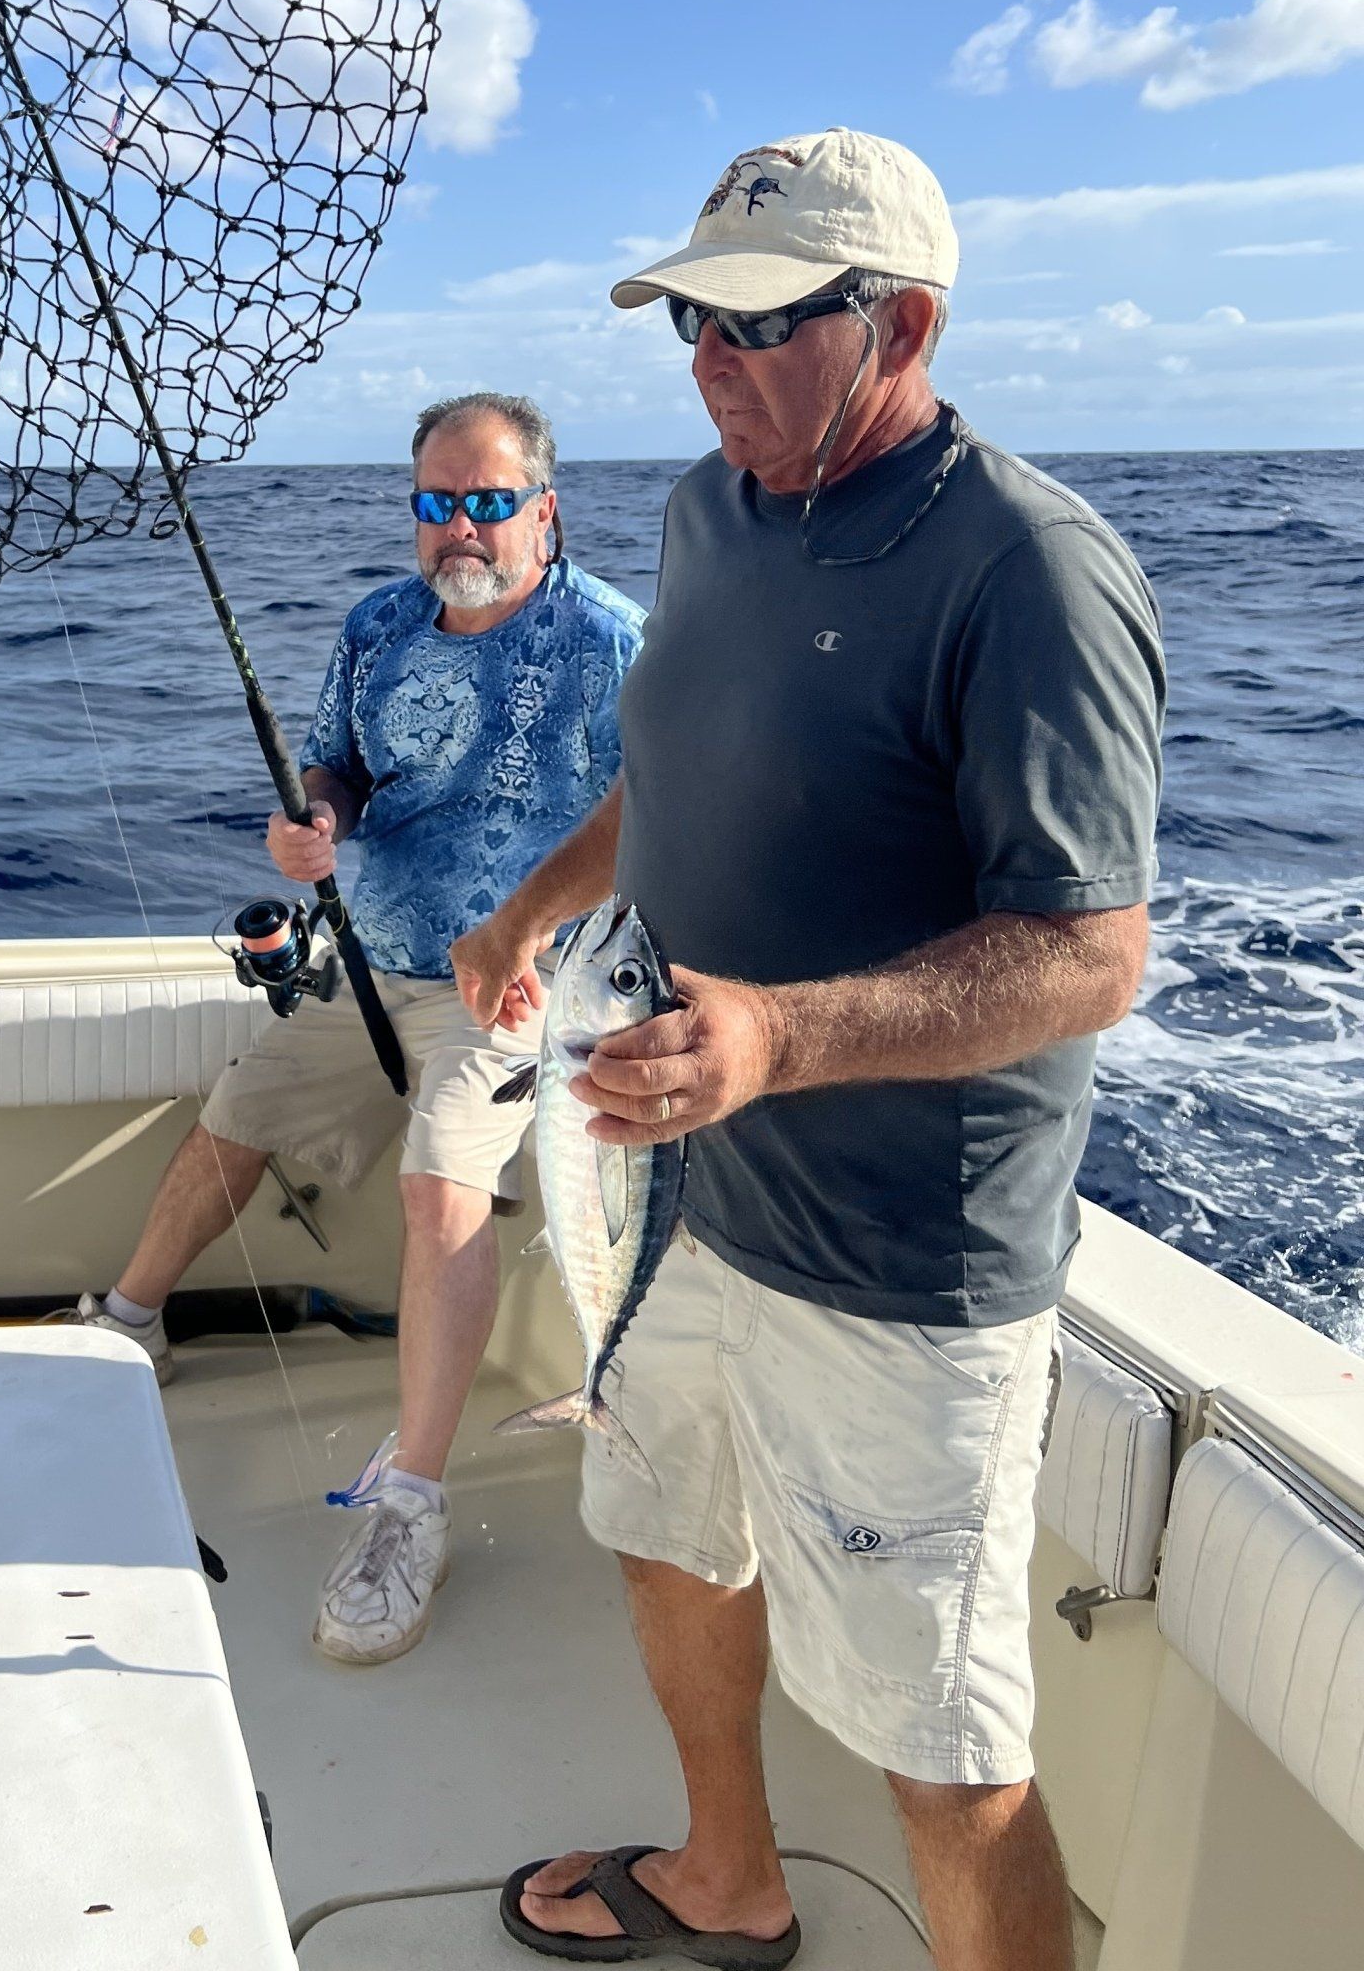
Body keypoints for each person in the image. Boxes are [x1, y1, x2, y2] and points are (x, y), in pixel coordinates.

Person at [453, 129, 1164, 1971]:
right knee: (665, 1528)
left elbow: (1090, 957)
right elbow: (669, 763)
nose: (711, 361)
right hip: (685, 1192)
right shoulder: (715, 507)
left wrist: (778, 1034)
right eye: (692, 321)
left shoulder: (1029, 569)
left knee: (946, 1749)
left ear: (904, 320)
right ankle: (727, 1876)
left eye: (762, 326)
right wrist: (535, 906)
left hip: (895, 1262)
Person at [59, 391, 643, 1664]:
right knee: (238, 1116)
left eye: (490, 501)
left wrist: (534, 934)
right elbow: (337, 764)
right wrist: (312, 824)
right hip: (365, 964)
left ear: (545, 508)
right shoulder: (378, 624)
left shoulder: (610, 641)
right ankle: (126, 1328)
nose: (460, 528)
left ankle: (408, 1506)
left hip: (521, 993)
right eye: (436, 502)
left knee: (445, 1187)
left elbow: (667, 809)